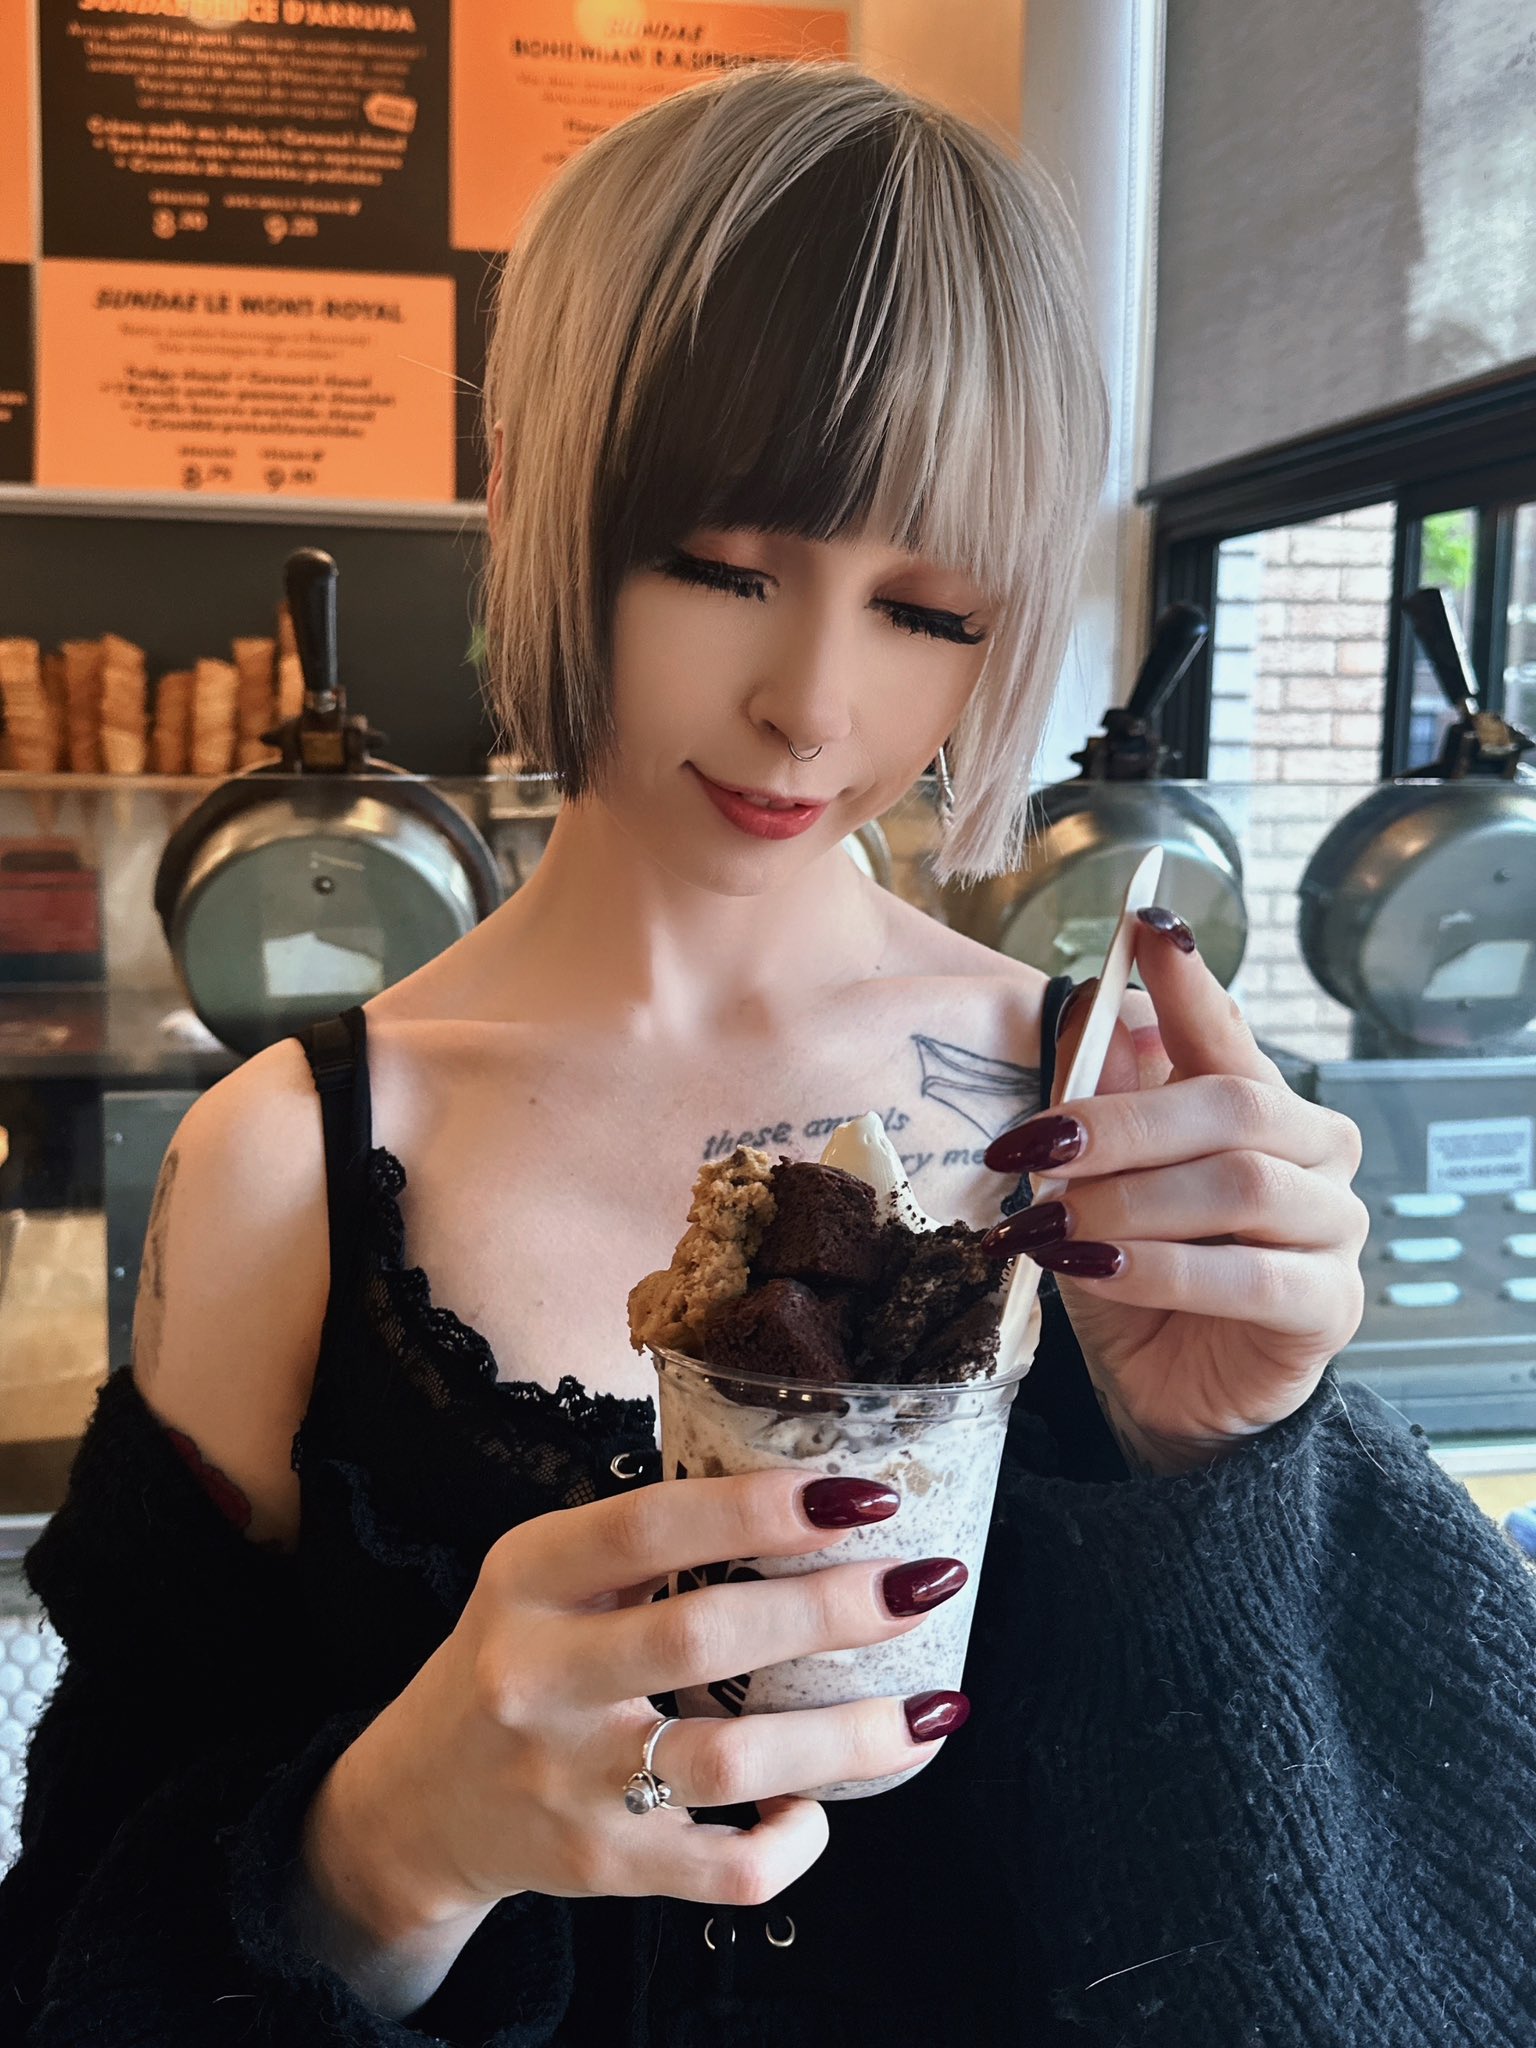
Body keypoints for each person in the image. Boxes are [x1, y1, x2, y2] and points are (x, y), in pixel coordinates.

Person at [3, 58, 1534, 2048]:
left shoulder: (1104, 1128)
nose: (813, 704)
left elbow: (1401, 1935)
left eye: (927, 609)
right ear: (533, 500)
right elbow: (81, 1943)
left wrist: (1234, 1471)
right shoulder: (290, 1168)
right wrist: (381, 1851)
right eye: (724, 568)